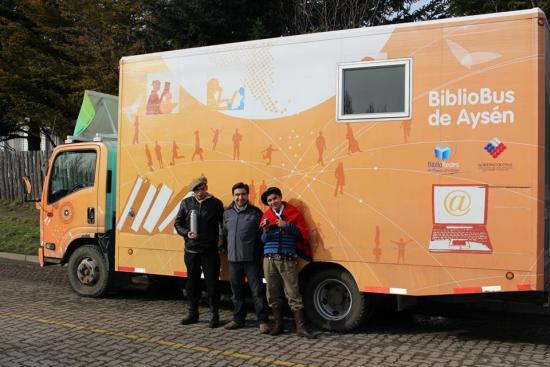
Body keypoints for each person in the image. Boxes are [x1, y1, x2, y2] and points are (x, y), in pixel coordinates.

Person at [260, 187, 315, 338]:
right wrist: (265, 231)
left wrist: (286, 225)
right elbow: (263, 241)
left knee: (293, 293)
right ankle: (278, 325)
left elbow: (302, 233)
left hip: (287, 259)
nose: (273, 202)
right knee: (272, 293)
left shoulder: (293, 212)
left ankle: (301, 328)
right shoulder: (266, 216)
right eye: (270, 200)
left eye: (275, 198)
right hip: (269, 259)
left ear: (280, 197)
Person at [174, 176, 224, 328]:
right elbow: (178, 223)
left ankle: (214, 315)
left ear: (206, 187)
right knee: (192, 283)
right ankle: (192, 313)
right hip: (191, 249)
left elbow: (223, 225)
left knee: (212, 284)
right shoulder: (186, 203)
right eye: (197, 190)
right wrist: (186, 233)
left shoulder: (216, 204)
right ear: (193, 191)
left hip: (209, 250)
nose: (200, 192)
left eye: (202, 189)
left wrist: (222, 243)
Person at [222, 182, 270, 334]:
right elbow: (224, 233)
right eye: (237, 194)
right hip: (233, 260)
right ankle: (238, 320)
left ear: (247, 195)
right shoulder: (227, 213)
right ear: (233, 196)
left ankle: (263, 321)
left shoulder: (255, 213)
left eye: (243, 194)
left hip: (251, 260)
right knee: (237, 292)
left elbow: (262, 236)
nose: (240, 197)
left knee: (257, 292)